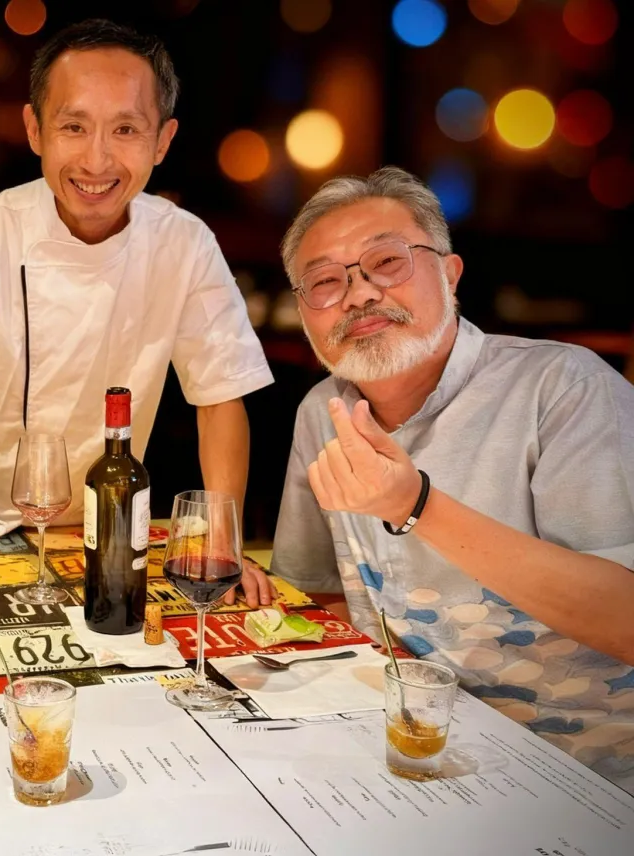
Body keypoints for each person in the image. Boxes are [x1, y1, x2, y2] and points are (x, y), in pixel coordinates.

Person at [0, 19, 275, 604]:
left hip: (110, 532)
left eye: (126, 129)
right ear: (35, 129)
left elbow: (220, 396)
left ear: (162, 141)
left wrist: (223, 543)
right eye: (74, 126)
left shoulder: (185, 243)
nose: (96, 159)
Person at [270, 166, 634, 792]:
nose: (358, 294)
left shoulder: (565, 387)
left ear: (451, 274)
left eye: (387, 262)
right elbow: (319, 599)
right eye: (325, 281)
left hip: (584, 774)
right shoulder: (322, 412)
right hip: (408, 751)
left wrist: (416, 504)